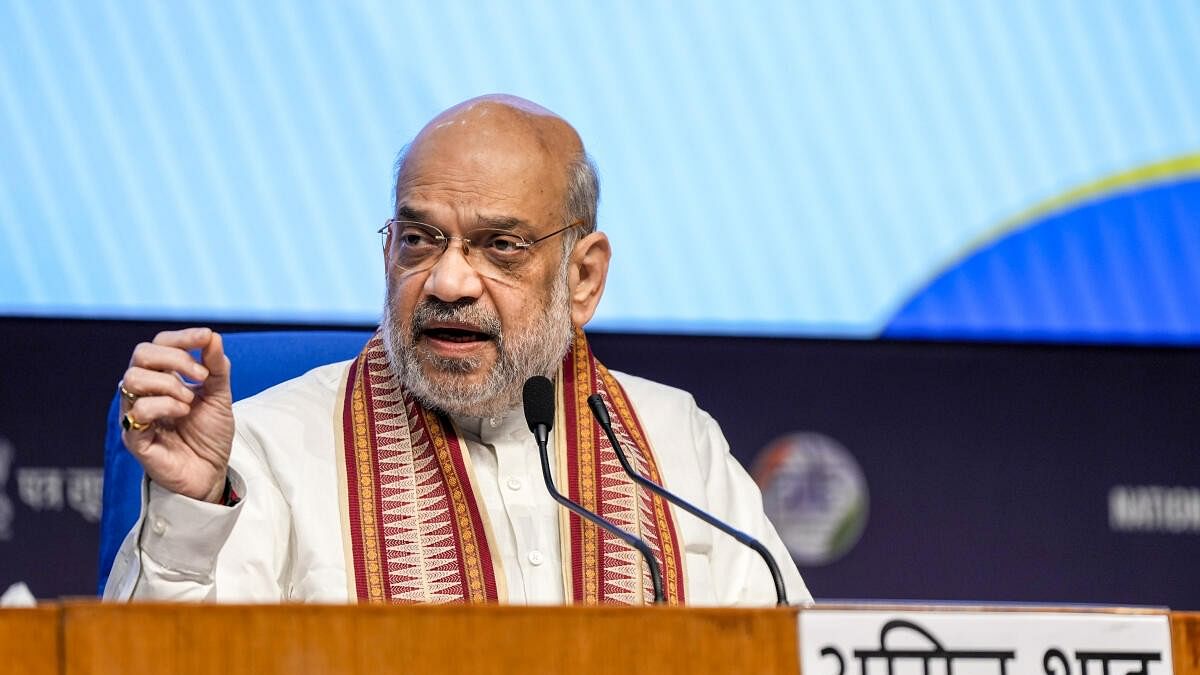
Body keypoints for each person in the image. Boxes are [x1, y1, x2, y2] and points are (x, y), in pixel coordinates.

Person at [104, 94, 811, 605]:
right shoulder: (270, 446)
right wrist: (193, 509)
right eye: (419, 239)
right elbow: (160, 661)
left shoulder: (672, 441)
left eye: (500, 246)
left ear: (583, 276)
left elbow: (793, 644)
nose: (446, 280)